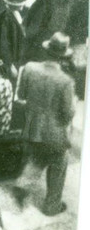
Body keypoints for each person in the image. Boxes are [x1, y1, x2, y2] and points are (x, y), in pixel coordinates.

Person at [15, 33, 76, 216]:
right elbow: (68, 113)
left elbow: (22, 95)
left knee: (37, 156)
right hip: (54, 132)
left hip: (32, 128)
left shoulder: (30, 68)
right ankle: (52, 206)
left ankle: (23, 185)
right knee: (59, 161)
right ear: (63, 56)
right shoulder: (65, 81)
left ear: (46, 50)